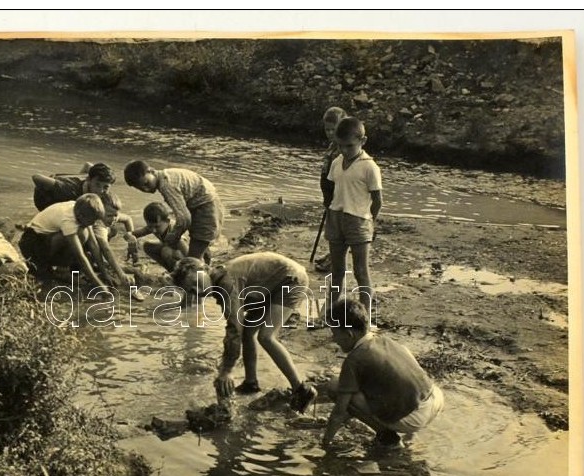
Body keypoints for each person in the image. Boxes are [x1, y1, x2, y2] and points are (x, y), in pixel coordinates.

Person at [171, 253, 317, 413]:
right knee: (248, 332)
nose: (198, 291)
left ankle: (302, 389)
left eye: (196, 282)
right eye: (191, 290)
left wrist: (227, 370)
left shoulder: (226, 283)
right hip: (269, 287)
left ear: (205, 269)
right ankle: (251, 383)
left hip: (290, 280)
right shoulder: (219, 281)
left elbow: (234, 327)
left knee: (266, 336)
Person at [321, 297, 444, 451]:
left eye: (335, 333)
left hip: (415, 417)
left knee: (334, 387)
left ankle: (388, 438)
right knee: (368, 384)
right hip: (434, 398)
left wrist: (324, 445)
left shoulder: (354, 360)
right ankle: (411, 435)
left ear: (349, 334)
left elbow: (338, 413)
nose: (334, 339)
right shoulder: (385, 340)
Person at [31, 163, 135, 290]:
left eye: (106, 187)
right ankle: (61, 269)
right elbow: (36, 177)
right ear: (89, 180)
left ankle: (78, 258)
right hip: (48, 198)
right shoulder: (68, 189)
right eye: (97, 185)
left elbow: (88, 165)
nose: (101, 190)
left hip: (75, 198)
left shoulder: (100, 199)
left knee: (104, 230)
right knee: (76, 231)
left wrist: (131, 240)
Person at [324, 116, 382, 308]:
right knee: (337, 270)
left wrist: (370, 222)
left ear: (362, 142)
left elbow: (378, 200)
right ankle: (331, 311)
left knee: (361, 272)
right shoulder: (336, 162)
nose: (345, 150)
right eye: (341, 146)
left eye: (350, 146)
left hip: (359, 221)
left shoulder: (369, 167)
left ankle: (365, 316)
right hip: (336, 218)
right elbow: (333, 189)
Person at [123, 161, 224, 261]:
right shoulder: (168, 174)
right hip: (209, 204)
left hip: (206, 209)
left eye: (146, 183)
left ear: (151, 171)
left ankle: (199, 277)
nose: (145, 189)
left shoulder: (166, 185)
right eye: (140, 188)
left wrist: (172, 237)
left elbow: (184, 219)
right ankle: (205, 271)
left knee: (194, 260)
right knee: (199, 250)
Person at [18, 193, 108, 291]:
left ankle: (61, 268)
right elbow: (80, 256)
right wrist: (100, 285)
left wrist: (105, 275)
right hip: (31, 243)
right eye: (93, 220)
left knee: (84, 233)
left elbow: (93, 245)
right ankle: (61, 271)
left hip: (44, 238)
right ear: (81, 216)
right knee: (80, 233)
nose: (94, 223)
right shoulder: (68, 220)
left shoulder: (79, 207)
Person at [125, 201, 211, 272]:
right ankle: (172, 271)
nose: (154, 230)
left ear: (167, 220)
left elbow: (192, 258)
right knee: (147, 246)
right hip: (177, 251)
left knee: (166, 251)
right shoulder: (152, 228)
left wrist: (198, 271)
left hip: (194, 253)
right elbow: (128, 234)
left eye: (157, 227)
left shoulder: (175, 233)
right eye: (150, 226)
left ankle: (179, 274)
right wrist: (131, 239)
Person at [314, 106, 348, 273]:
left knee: (337, 230)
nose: (329, 133)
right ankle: (332, 255)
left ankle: (335, 259)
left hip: (338, 194)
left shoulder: (344, 150)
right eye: (326, 129)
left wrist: (334, 195)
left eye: (332, 130)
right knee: (331, 227)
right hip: (329, 192)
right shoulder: (332, 146)